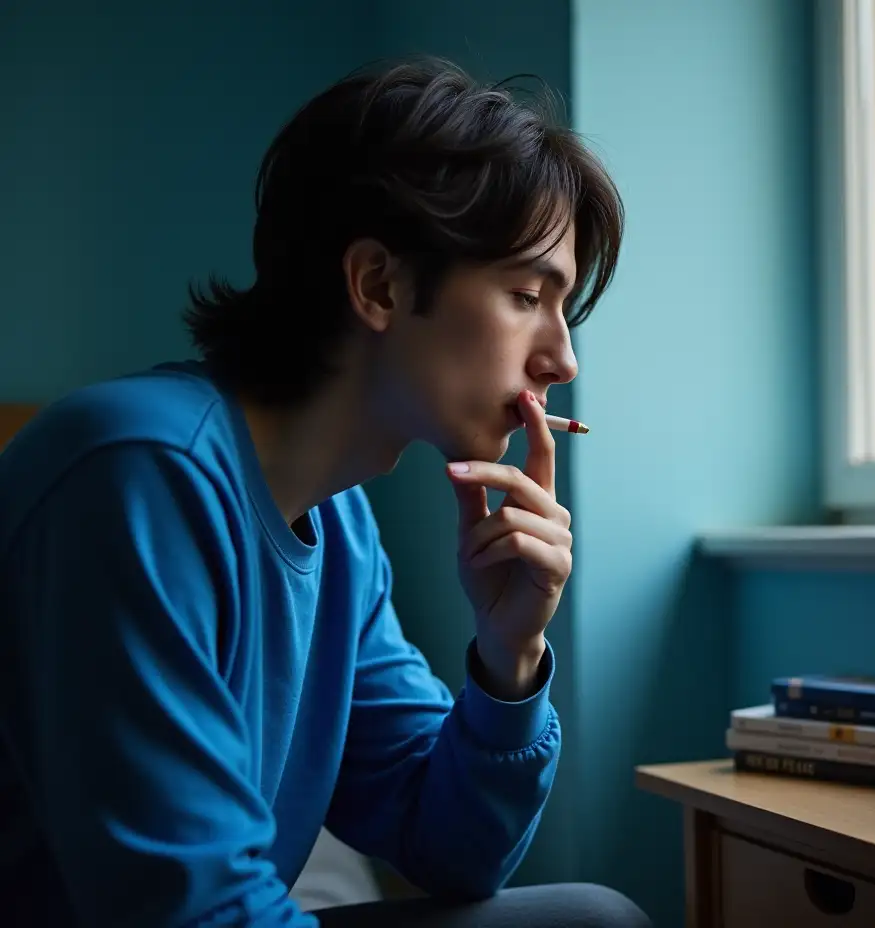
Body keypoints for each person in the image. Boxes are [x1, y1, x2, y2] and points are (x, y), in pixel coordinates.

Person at [0, 57, 651, 928]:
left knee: (593, 918)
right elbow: (188, 909)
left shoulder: (339, 520)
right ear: (378, 283)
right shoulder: (137, 474)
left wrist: (509, 656)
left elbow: (449, 849)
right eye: (526, 294)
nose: (562, 361)